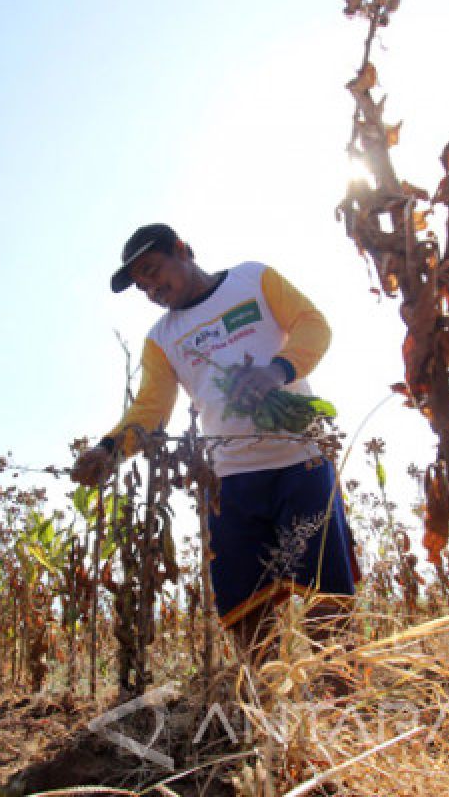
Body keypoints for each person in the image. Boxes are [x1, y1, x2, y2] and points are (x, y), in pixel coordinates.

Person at [70, 223, 359, 663]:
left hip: (301, 462)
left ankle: (339, 699)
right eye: (141, 286)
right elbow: (151, 407)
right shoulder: (162, 338)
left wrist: (276, 370)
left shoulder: (253, 279)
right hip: (232, 480)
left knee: (327, 595)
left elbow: (313, 326)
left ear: (182, 249)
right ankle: (263, 698)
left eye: (153, 271)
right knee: (245, 606)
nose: (151, 288)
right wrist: (109, 451)